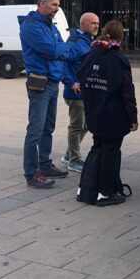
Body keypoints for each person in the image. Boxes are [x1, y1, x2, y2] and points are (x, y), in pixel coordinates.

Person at [20, 0, 85, 189]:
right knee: (36, 130)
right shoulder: (31, 27)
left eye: (58, 5)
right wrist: (58, 50)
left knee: (48, 128)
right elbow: (52, 50)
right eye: (54, 5)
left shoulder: (51, 27)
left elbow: (61, 50)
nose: (57, 9)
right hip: (39, 83)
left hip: (53, 83)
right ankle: (31, 174)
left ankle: (45, 164)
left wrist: (59, 51)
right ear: (41, 4)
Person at [77, 20, 138, 206]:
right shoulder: (119, 60)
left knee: (97, 148)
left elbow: (83, 81)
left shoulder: (90, 55)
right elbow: (127, 92)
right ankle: (105, 193)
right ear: (121, 37)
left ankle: (85, 188)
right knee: (110, 152)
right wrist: (133, 118)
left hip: (94, 112)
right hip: (113, 115)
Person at [60, 12, 99, 173]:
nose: (96, 26)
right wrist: (70, 82)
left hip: (86, 93)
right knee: (76, 126)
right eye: (92, 23)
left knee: (86, 125)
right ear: (83, 24)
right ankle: (74, 160)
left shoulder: (88, 41)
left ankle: (69, 155)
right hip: (76, 93)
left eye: (97, 23)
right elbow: (62, 60)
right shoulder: (76, 42)